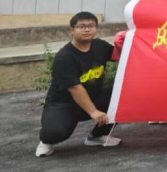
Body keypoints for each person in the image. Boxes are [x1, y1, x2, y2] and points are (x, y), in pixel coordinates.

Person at [36, 12, 121, 157]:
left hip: (93, 97)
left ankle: (97, 136)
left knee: (122, 96)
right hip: (64, 104)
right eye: (82, 26)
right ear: (72, 30)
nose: (87, 29)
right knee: (55, 133)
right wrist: (93, 111)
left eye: (91, 26)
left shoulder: (99, 46)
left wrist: (127, 40)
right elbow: (75, 88)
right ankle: (46, 141)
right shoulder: (65, 57)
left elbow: (121, 56)